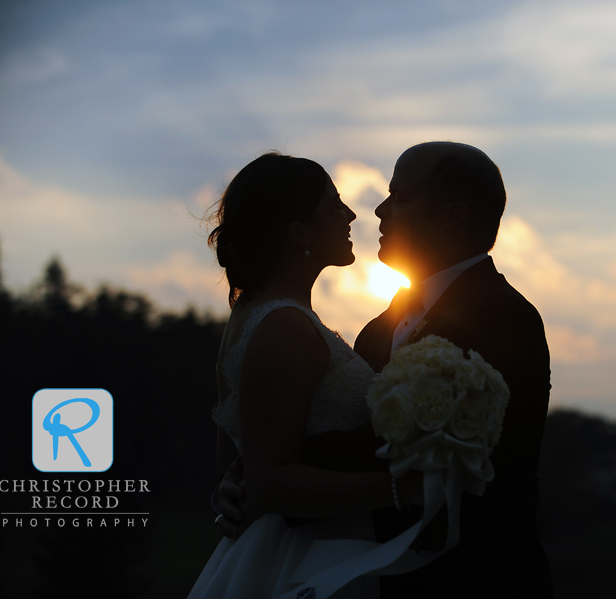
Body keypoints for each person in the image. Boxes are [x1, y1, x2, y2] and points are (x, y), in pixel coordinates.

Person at [218, 142, 554, 598]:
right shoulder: (379, 329)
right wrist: (256, 472)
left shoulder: (504, 316)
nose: (377, 209)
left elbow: (465, 459)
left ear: (452, 214)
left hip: (471, 577)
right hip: (358, 571)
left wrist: (266, 477)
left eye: (399, 197)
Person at [188, 152, 419, 599]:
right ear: (298, 233)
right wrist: (403, 488)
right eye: (334, 205)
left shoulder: (257, 317)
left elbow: (235, 462)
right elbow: (271, 481)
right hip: (305, 555)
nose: (352, 214)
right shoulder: (284, 327)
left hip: (296, 544)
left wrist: (230, 488)